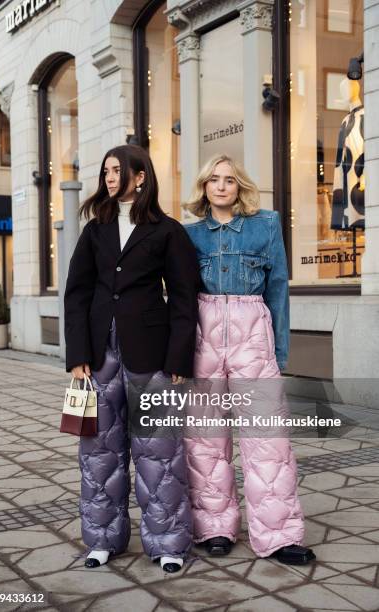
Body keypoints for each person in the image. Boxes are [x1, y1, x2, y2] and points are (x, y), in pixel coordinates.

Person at [64, 144, 200, 573]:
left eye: (117, 170)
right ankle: (102, 540)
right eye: (105, 170)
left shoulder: (167, 231)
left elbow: (183, 298)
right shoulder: (95, 230)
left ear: (140, 177)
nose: (108, 177)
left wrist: (179, 359)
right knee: (99, 452)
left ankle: (169, 545)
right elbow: (77, 293)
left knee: (160, 452)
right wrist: (77, 355)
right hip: (99, 356)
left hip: (153, 357)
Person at [183, 153, 316, 565]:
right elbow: (178, 297)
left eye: (229, 179)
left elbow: (278, 288)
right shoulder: (187, 235)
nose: (222, 186)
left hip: (252, 331)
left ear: (240, 186)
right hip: (203, 335)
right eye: (214, 179)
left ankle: (278, 535)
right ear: (204, 187)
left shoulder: (266, 225)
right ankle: (214, 528)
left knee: (268, 440)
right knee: (205, 440)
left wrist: (279, 350)